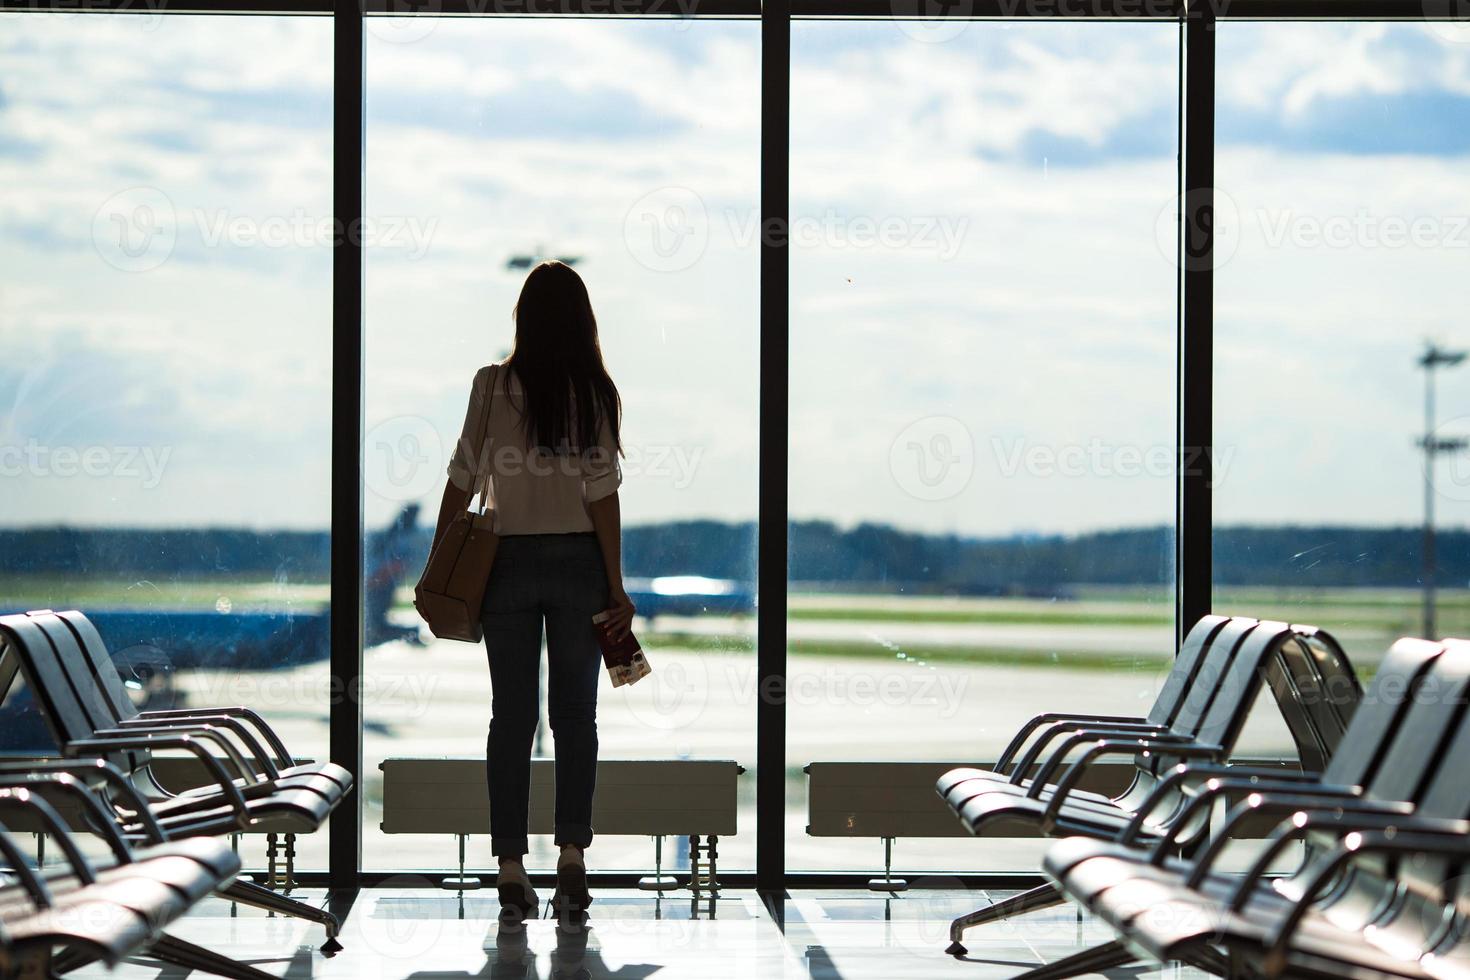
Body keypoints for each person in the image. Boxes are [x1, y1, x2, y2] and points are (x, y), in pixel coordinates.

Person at [428, 260, 636, 923]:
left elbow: (462, 479)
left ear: (522, 319)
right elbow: (603, 498)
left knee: (511, 719)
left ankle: (511, 868)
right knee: (576, 717)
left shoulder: (492, 386)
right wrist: (616, 583)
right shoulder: (595, 393)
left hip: (506, 565)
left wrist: (440, 561)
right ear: (584, 322)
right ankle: (572, 856)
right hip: (578, 561)